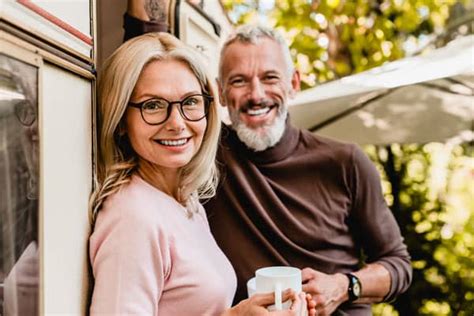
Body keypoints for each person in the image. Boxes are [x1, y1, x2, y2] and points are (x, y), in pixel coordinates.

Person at [124, 4, 412, 316]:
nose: (256, 93)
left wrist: (345, 286)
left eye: (270, 77)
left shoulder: (346, 162)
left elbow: (397, 264)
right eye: (239, 81)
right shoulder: (203, 151)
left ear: (294, 84)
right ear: (220, 93)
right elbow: (151, 64)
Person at [89, 32, 313, 315]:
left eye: (190, 102)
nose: (177, 123)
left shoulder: (185, 199)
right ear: (121, 119)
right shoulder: (133, 218)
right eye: (153, 105)